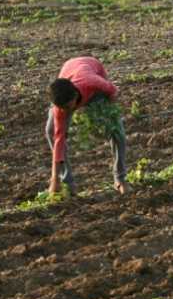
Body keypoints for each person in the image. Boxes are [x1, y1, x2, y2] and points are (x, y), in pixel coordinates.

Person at [45, 56, 127, 196]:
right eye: (61, 108)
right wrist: (54, 178)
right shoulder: (61, 107)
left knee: (117, 130)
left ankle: (120, 179)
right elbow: (59, 139)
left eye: (67, 106)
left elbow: (113, 92)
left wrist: (106, 116)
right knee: (51, 130)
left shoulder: (93, 82)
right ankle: (67, 183)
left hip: (93, 72)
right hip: (69, 68)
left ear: (75, 96)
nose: (65, 110)